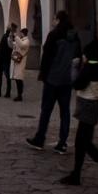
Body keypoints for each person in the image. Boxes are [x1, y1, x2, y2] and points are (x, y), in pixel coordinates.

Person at [63, 37, 98, 187]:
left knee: (83, 142)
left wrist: (75, 68)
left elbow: (77, 84)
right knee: (82, 142)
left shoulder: (89, 67)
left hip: (87, 105)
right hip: (93, 104)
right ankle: (77, 174)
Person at [27, 12, 80, 154]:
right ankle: (62, 143)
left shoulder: (54, 35)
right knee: (65, 112)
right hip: (66, 79)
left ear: (58, 20)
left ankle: (40, 139)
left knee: (46, 110)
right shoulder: (74, 36)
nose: (53, 21)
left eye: (54, 18)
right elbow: (78, 56)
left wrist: (43, 75)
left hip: (52, 78)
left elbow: (46, 57)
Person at [9, 27, 31, 101]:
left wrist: (16, 36)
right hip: (17, 61)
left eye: (21, 33)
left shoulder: (27, 41)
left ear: (23, 33)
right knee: (17, 79)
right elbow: (11, 45)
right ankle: (19, 95)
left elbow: (22, 45)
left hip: (21, 62)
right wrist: (10, 38)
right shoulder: (20, 40)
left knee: (19, 79)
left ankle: (20, 95)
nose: (20, 34)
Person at [0, 30, 13, 98]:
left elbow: (9, 49)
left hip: (5, 60)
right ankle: (0, 91)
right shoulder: (5, 36)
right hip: (2, 59)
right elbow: (0, 47)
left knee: (6, 77)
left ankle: (6, 92)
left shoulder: (10, 38)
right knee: (1, 76)